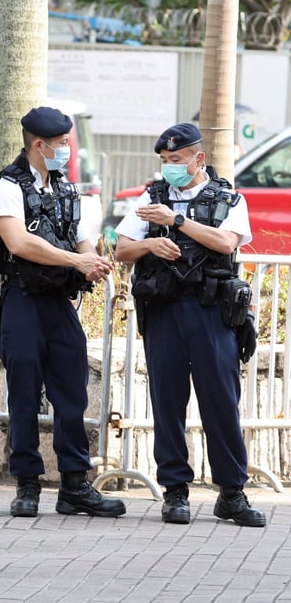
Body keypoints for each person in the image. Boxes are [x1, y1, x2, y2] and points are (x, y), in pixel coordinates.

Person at [114, 123, 265, 527]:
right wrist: (150, 243)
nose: (169, 168)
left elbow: (226, 243)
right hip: (164, 310)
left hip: (211, 312)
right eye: (164, 161)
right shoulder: (151, 196)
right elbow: (122, 248)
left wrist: (176, 222)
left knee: (220, 401)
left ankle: (231, 493)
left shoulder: (227, 198)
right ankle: (175, 492)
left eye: (176, 161)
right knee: (167, 402)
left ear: (198, 159)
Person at [0, 106, 124, 519]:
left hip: (59, 303)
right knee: (24, 395)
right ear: (39, 145)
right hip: (21, 301)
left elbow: (82, 239)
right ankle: (27, 485)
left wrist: (91, 259)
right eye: (62, 145)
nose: (67, 151)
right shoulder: (7, 187)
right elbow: (19, 243)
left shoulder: (63, 188)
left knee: (72, 394)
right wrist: (76, 261)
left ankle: (75, 485)